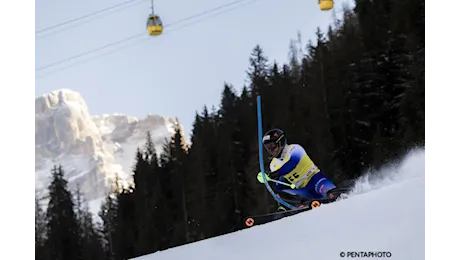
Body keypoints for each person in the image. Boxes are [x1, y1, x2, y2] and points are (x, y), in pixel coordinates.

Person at [257, 128, 337, 211]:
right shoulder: (273, 164)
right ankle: (293, 206)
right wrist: (281, 200)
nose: (270, 150)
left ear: (280, 142)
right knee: (283, 194)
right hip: (303, 189)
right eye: (267, 147)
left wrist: (273, 174)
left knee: (332, 193)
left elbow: (292, 164)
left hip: (315, 180)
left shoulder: (294, 149)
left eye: (272, 145)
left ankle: (334, 195)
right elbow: (281, 182)